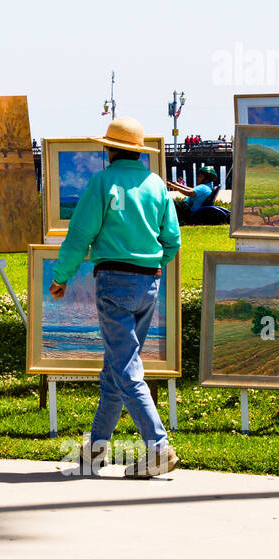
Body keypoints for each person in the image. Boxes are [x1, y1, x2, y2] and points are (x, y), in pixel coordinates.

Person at [48, 116, 181, 478]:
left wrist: (61, 277)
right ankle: (95, 450)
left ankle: (157, 447)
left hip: (114, 282)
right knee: (115, 367)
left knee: (124, 367)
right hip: (149, 282)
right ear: (138, 153)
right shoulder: (156, 185)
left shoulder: (102, 182)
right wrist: (155, 264)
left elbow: (79, 235)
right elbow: (173, 241)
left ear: (108, 149)